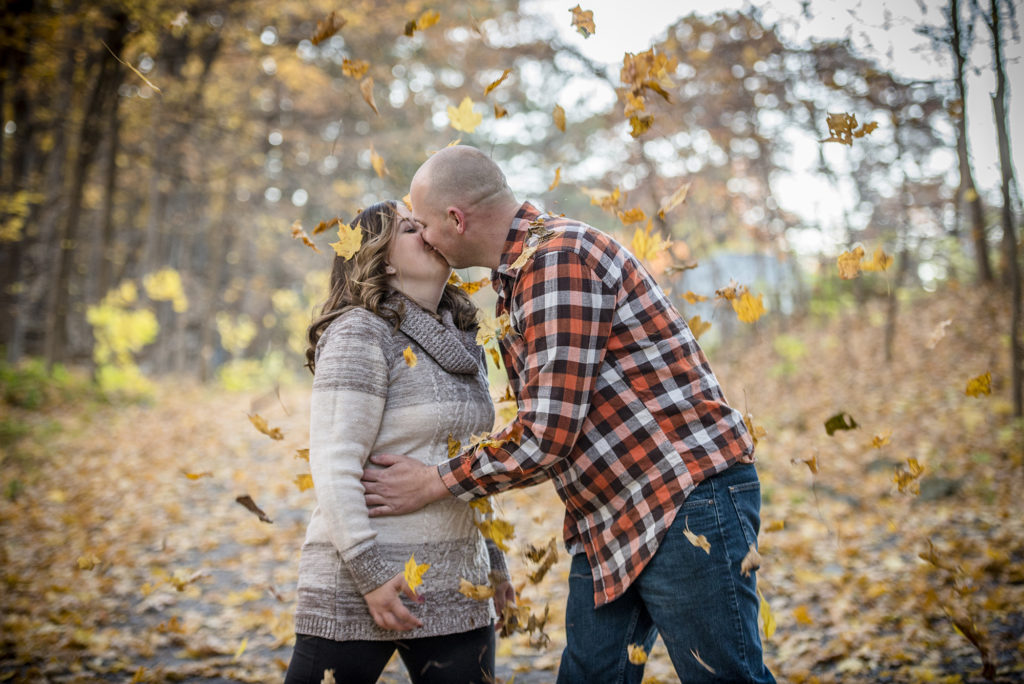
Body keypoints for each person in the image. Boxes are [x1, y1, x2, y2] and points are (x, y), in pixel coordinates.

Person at [361, 147, 776, 684]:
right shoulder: (520, 276)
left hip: (682, 499)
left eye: (423, 225)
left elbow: (545, 436)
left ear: (456, 220)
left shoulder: (555, 261)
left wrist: (435, 481)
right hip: (612, 514)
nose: (426, 239)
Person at [285, 199, 515, 684]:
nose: (429, 234)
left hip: (457, 583)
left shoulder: (463, 343)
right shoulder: (360, 332)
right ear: (382, 259)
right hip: (363, 580)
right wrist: (370, 575)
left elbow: (469, 464)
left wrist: (494, 563)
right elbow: (334, 463)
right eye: (412, 229)